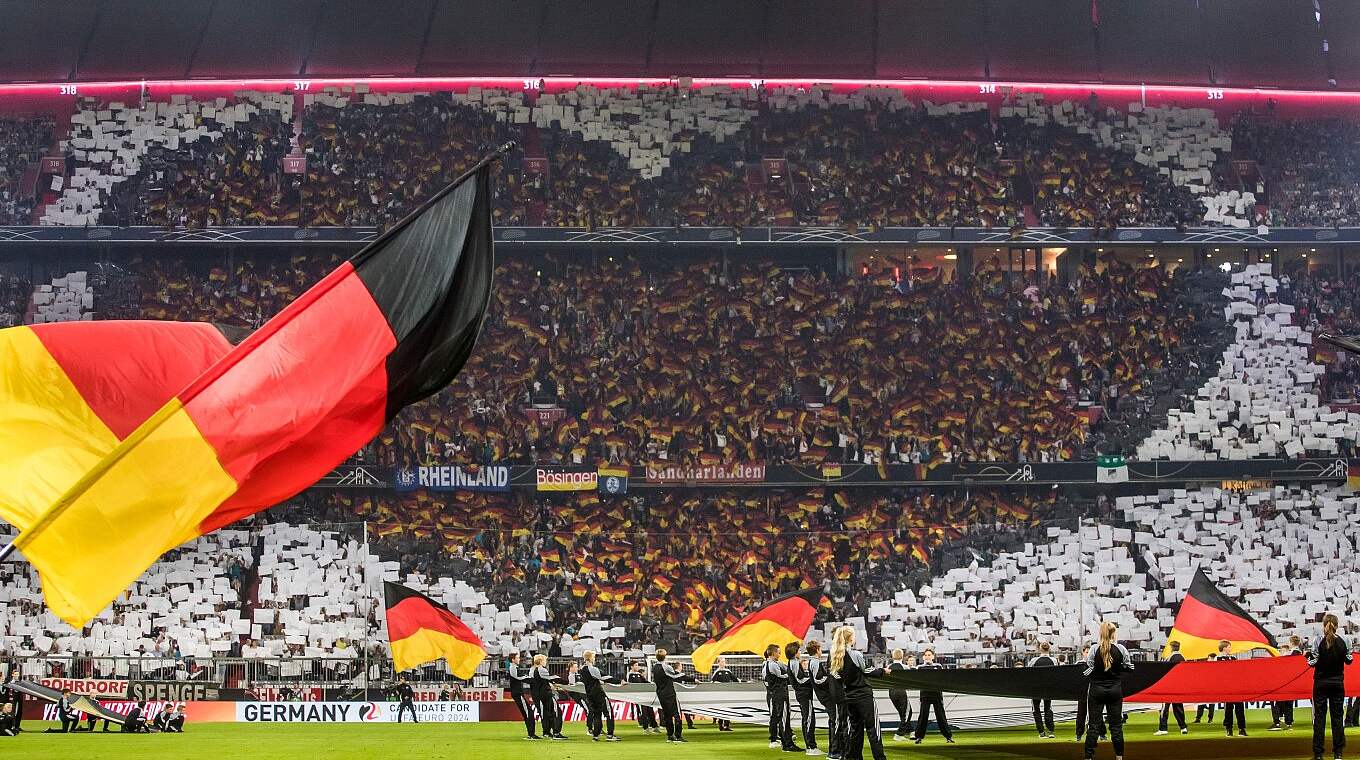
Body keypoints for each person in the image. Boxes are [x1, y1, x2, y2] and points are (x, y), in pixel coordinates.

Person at [829, 625, 885, 760]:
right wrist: (883, 671)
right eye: (853, 636)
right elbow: (867, 670)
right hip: (864, 695)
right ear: (850, 639)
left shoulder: (835, 657)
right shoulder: (856, 654)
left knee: (855, 730)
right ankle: (880, 758)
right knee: (873, 729)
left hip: (849, 696)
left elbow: (836, 676)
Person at [1083, 621, 1133, 760]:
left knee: (1093, 725)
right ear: (1114, 633)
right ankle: (1119, 757)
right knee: (1116, 726)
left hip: (1096, 689)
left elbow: (1089, 668)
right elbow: (1129, 667)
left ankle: (1088, 757)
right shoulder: (1121, 649)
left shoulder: (1093, 649)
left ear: (1101, 633)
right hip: (1115, 690)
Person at [1308, 612, 1352, 760]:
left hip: (1320, 683)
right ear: (1337, 625)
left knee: (1319, 719)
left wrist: (1308, 657)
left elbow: (1312, 663)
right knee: (1338, 719)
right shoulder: (1345, 640)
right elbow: (1349, 660)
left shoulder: (1317, 640)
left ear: (1324, 624)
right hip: (1338, 683)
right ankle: (1338, 753)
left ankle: (1318, 754)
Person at [807, 640, 843, 760]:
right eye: (820, 648)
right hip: (826, 696)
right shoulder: (815, 662)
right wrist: (831, 677)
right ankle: (834, 751)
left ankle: (834, 749)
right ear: (817, 650)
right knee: (835, 721)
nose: (821, 651)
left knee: (833, 721)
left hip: (824, 696)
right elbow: (818, 680)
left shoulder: (813, 662)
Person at [651, 649, 695, 743]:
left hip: (660, 693)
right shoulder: (666, 667)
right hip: (669, 693)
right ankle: (678, 736)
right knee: (677, 714)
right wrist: (693, 680)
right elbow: (677, 676)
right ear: (665, 656)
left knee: (667, 715)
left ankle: (670, 736)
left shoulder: (654, 667)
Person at [763, 643, 800, 752]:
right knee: (782, 718)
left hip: (777, 694)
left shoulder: (771, 663)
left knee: (780, 718)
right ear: (773, 653)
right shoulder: (772, 665)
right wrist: (791, 674)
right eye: (778, 652)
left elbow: (785, 669)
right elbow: (783, 675)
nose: (780, 654)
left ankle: (784, 741)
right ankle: (786, 743)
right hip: (778, 695)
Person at [913, 649, 953, 745]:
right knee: (923, 716)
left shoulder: (938, 666)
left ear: (933, 656)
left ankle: (948, 737)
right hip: (925, 694)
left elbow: (942, 679)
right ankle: (918, 737)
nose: (927, 656)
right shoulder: (919, 668)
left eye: (929, 655)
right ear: (923, 657)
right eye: (926, 655)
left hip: (936, 694)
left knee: (941, 716)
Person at [788, 642, 820, 755]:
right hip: (804, 694)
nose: (800, 652)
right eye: (799, 651)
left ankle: (809, 746)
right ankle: (811, 747)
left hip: (802, 694)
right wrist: (813, 679)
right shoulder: (794, 663)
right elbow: (800, 680)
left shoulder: (793, 663)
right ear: (795, 652)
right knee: (809, 719)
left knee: (806, 719)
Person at [530, 654, 566, 740]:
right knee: (556, 712)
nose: (546, 662)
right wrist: (564, 682)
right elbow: (551, 678)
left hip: (539, 694)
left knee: (545, 714)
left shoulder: (533, 670)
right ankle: (556, 732)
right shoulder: (541, 670)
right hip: (546, 694)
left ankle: (547, 732)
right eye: (545, 660)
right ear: (541, 661)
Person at [1155, 640, 1187, 736]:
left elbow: (1164, 671)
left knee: (1165, 708)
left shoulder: (1170, 658)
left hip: (1169, 686)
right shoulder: (1182, 657)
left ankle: (1163, 728)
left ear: (1171, 647)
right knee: (1178, 707)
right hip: (1178, 686)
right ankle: (1183, 727)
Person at [506, 652, 540, 739]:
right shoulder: (513, 668)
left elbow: (521, 676)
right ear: (513, 660)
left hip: (517, 693)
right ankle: (531, 734)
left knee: (527, 713)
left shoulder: (514, 667)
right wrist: (534, 680)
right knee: (528, 713)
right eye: (517, 658)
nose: (519, 659)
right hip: (517, 693)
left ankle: (531, 734)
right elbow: (520, 677)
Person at [1271, 637, 1301, 731]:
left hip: (1286, 681)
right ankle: (1288, 723)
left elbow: (1281, 665)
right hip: (1294, 681)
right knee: (1289, 703)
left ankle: (1278, 722)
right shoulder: (1300, 653)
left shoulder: (1289, 654)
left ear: (1291, 642)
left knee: (1279, 702)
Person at [1217, 641, 1246, 737]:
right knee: (1228, 709)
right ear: (1224, 648)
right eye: (1229, 647)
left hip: (1236, 687)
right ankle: (1229, 729)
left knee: (1240, 708)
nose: (1230, 648)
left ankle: (1242, 729)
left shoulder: (1233, 658)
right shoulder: (1217, 659)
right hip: (1226, 688)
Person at [1028, 642, 1057, 738]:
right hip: (1048, 687)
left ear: (1040, 649)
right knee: (1047, 708)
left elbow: (1028, 673)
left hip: (1035, 688)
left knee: (1036, 709)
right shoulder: (1053, 660)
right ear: (1049, 649)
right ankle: (1051, 731)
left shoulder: (1033, 660)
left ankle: (1041, 732)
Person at [886, 649, 913, 742]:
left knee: (903, 713)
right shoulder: (905, 667)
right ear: (902, 656)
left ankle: (911, 731)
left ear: (892, 656)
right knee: (908, 713)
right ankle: (899, 734)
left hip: (891, 692)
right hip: (901, 691)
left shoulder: (888, 666)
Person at [628, 660, 659, 734]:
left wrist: (652, 684)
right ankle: (646, 728)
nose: (637, 666)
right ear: (632, 666)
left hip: (645, 696)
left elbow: (645, 681)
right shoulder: (629, 675)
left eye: (637, 665)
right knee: (643, 712)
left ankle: (654, 726)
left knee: (650, 710)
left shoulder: (639, 674)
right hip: (638, 697)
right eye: (636, 665)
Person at [710, 656, 738, 732]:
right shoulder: (717, 672)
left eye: (724, 661)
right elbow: (712, 682)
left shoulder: (728, 671)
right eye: (722, 661)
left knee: (728, 709)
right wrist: (719, 684)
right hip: (720, 694)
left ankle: (727, 725)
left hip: (728, 693)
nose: (723, 663)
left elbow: (735, 680)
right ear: (718, 663)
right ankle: (720, 724)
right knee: (721, 709)